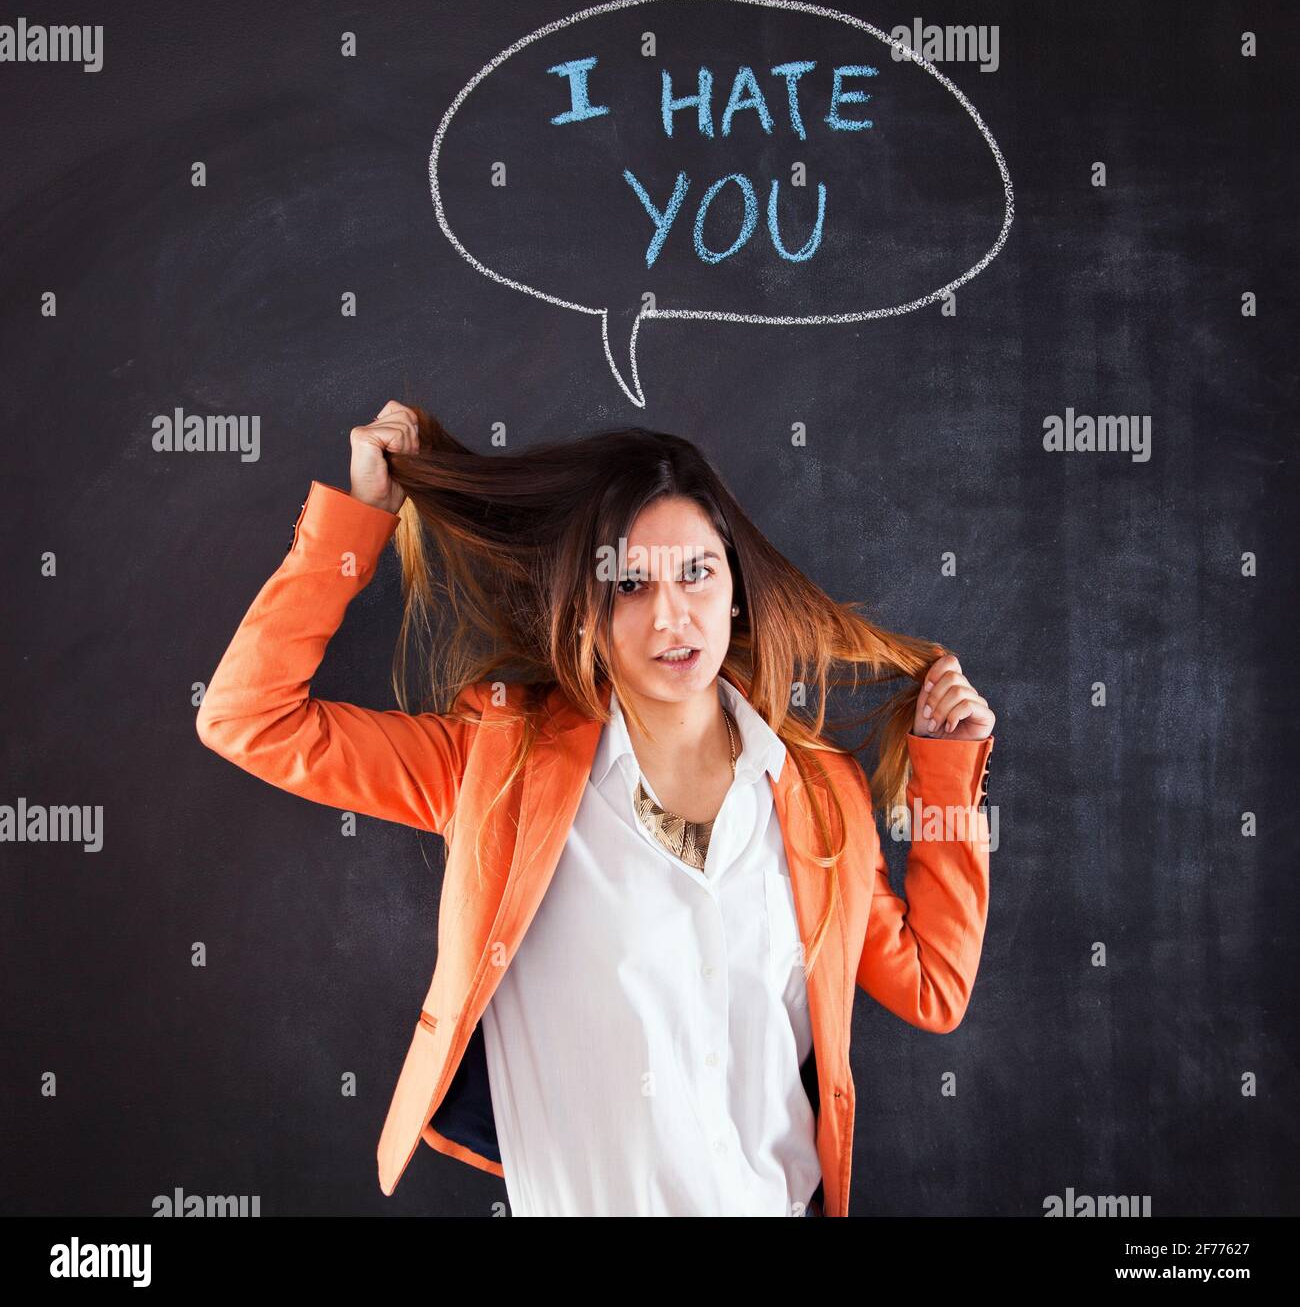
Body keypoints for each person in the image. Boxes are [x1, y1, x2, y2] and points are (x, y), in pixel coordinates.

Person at [196, 400, 997, 1217]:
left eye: (696, 573)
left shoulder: (820, 793)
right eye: (629, 585)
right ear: (585, 612)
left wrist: (946, 769)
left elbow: (933, 988)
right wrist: (360, 518)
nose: (670, 616)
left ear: (735, 590)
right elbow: (249, 719)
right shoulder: (497, 767)